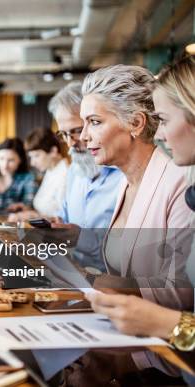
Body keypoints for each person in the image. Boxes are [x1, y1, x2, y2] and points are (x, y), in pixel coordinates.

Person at [87, 56, 195, 356]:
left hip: (163, 358)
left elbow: (181, 295)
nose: (83, 137)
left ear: (136, 123)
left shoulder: (181, 179)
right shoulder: (125, 180)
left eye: (94, 122)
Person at [45, 81, 124, 272]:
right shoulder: (74, 171)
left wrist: (79, 237)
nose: (72, 143)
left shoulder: (125, 177)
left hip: (115, 288)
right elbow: (65, 219)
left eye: (77, 131)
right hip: (74, 277)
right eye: (64, 134)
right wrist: (56, 227)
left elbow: (130, 255)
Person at [8, 127, 69, 221]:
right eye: (31, 157)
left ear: (53, 151)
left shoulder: (66, 175)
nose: (32, 163)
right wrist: (27, 209)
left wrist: (32, 216)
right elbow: (48, 208)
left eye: (36, 156)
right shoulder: (51, 171)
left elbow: (64, 218)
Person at [0, 138, 37, 215]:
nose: (5, 165)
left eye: (11, 160)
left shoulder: (27, 179)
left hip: (12, 224)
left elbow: (29, 205)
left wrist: (23, 207)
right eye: (1, 159)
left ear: (20, 160)